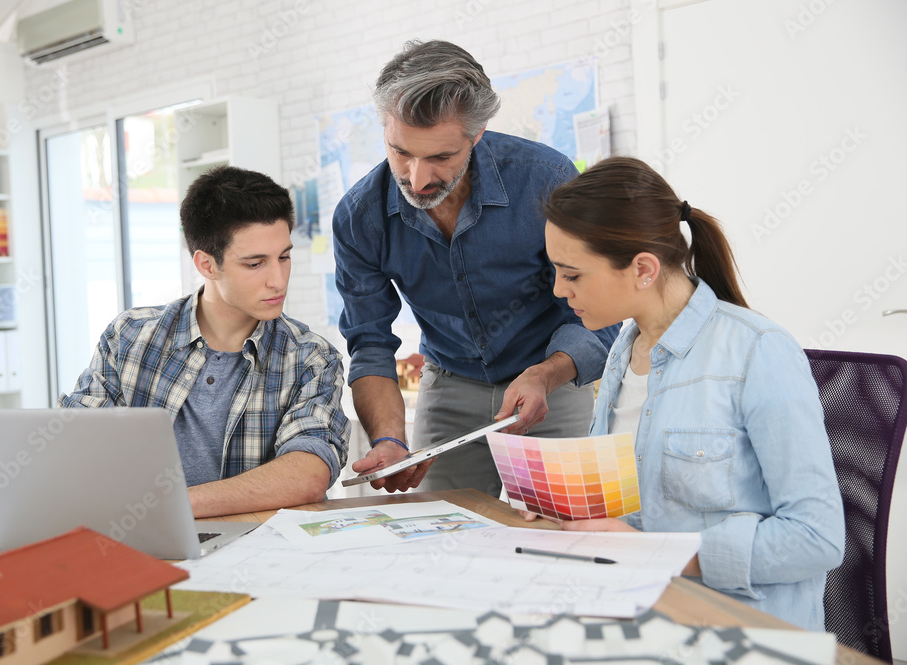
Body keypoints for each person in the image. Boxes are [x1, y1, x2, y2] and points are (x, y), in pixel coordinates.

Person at [539, 155, 844, 630]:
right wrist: (563, 509)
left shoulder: (758, 351)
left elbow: (817, 538)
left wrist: (659, 553)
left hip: (737, 634)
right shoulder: (624, 350)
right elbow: (632, 513)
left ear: (643, 269)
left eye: (572, 274)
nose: (559, 290)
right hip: (639, 614)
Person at [333, 40, 619, 494]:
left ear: (478, 132)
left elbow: (600, 308)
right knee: (443, 523)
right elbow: (369, 342)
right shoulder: (359, 217)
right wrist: (388, 439)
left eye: (440, 157)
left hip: (550, 379)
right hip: (449, 382)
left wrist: (546, 374)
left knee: (562, 522)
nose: (417, 179)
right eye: (401, 152)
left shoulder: (546, 179)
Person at [61, 166, 349, 518]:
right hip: (140, 539)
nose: (278, 280)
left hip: (258, 545)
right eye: (255, 264)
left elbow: (308, 474)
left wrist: (169, 506)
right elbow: (76, 447)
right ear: (207, 265)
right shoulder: (129, 337)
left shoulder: (311, 358)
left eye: (284, 257)